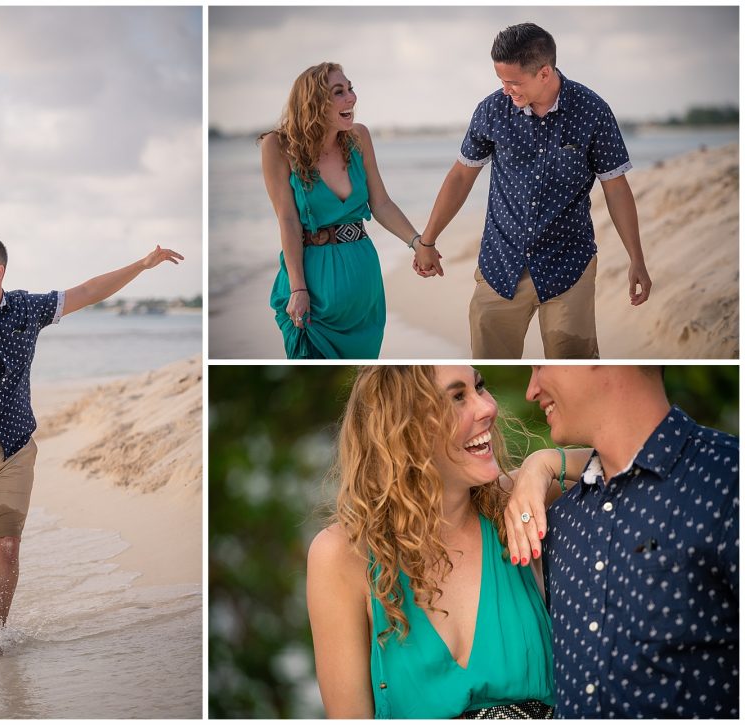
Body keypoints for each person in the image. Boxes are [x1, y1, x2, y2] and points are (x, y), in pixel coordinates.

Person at [306, 365, 590, 718]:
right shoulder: (343, 556)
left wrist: (543, 463)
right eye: (457, 397)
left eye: (479, 388)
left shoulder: (517, 504)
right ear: (403, 428)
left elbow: (626, 463)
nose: (488, 408)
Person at [0, 233, 182, 630]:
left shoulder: (28, 308)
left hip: (15, 447)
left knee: (9, 546)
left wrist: (140, 266)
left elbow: (87, 291)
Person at [508, 366, 738, 717]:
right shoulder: (561, 521)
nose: (531, 389)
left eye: (540, 367)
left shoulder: (728, 479)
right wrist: (538, 464)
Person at [415, 23, 651, 359]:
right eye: (500, 80)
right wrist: (427, 240)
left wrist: (636, 259)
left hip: (569, 266)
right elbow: (460, 177)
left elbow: (615, 188)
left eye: (513, 82)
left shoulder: (592, 111)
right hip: (500, 265)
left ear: (544, 72)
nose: (506, 89)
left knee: (576, 372)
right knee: (489, 369)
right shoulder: (491, 110)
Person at [261, 62, 425, 359]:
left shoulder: (359, 138)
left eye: (350, 88)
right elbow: (287, 220)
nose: (351, 97)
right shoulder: (278, 146)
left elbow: (382, 204)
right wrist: (298, 289)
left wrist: (417, 242)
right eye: (339, 92)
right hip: (312, 288)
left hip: (364, 287)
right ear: (314, 103)